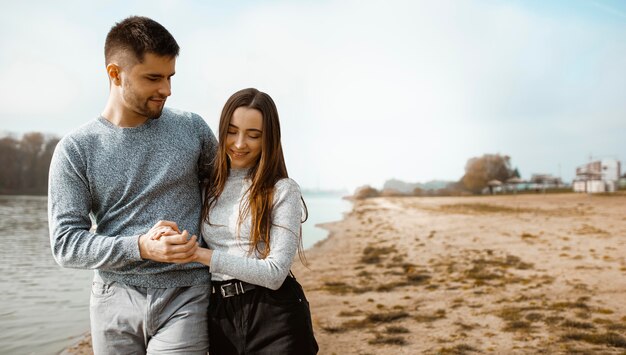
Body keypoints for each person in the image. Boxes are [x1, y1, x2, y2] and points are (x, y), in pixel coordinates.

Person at [48, 16, 217, 354]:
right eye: (153, 78)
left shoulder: (192, 129)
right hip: (113, 300)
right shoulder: (76, 150)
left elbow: (232, 193)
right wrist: (140, 247)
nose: (166, 90)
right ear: (115, 74)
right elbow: (65, 244)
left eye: (170, 77)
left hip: (187, 294)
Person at [191, 88, 318, 353]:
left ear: (268, 139)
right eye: (232, 131)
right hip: (219, 314)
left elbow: (274, 274)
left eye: (253, 135)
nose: (239, 144)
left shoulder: (283, 190)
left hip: (274, 313)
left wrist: (201, 256)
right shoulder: (207, 186)